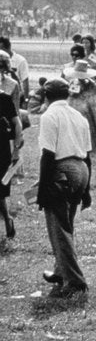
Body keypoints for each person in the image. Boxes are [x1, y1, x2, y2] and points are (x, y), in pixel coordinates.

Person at [37, 78, 92, 299]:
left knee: (58, 228)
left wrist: (43, 189)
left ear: (46, 95)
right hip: (81, 170)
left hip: (63, 170)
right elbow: (87, 157)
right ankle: (61, 272)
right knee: (67, 223)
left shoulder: (49, 115)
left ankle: (75, 281)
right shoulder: (78, 116)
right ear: (68, 95)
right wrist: (86, 190)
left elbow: (48, 154)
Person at [64, 59, 96, 156]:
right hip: (78, 108)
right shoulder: (77, 82)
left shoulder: (90, 84)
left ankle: (87, 149)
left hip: (85, 109)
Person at [0, 81, 22, 240]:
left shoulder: (3, 98)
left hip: (1, 149)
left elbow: (17, 124)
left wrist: (16, 149)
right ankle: (7, 219)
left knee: (0, 190)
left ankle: (7, 218)